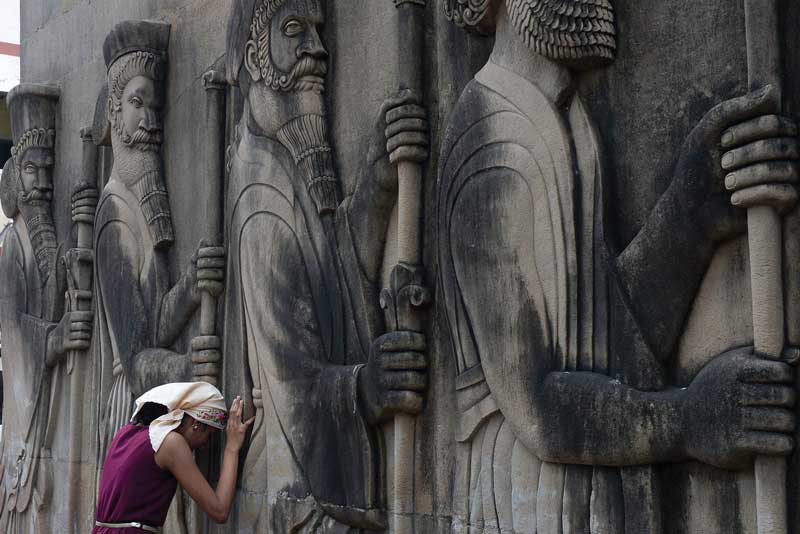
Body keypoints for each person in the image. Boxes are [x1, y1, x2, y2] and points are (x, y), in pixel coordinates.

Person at [437, 0, 798, 532]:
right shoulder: (493, 147)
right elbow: (537, 410)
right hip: (533, 500)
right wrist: (688, 420)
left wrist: (691, 213)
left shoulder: (563, 120)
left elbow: (606, 345)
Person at [93, 382, 254, 533]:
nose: (206, 445)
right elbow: (220, 510)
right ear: (195, 423)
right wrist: (231, 448)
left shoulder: (126, 432)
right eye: (209, 435)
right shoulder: (171, 443)